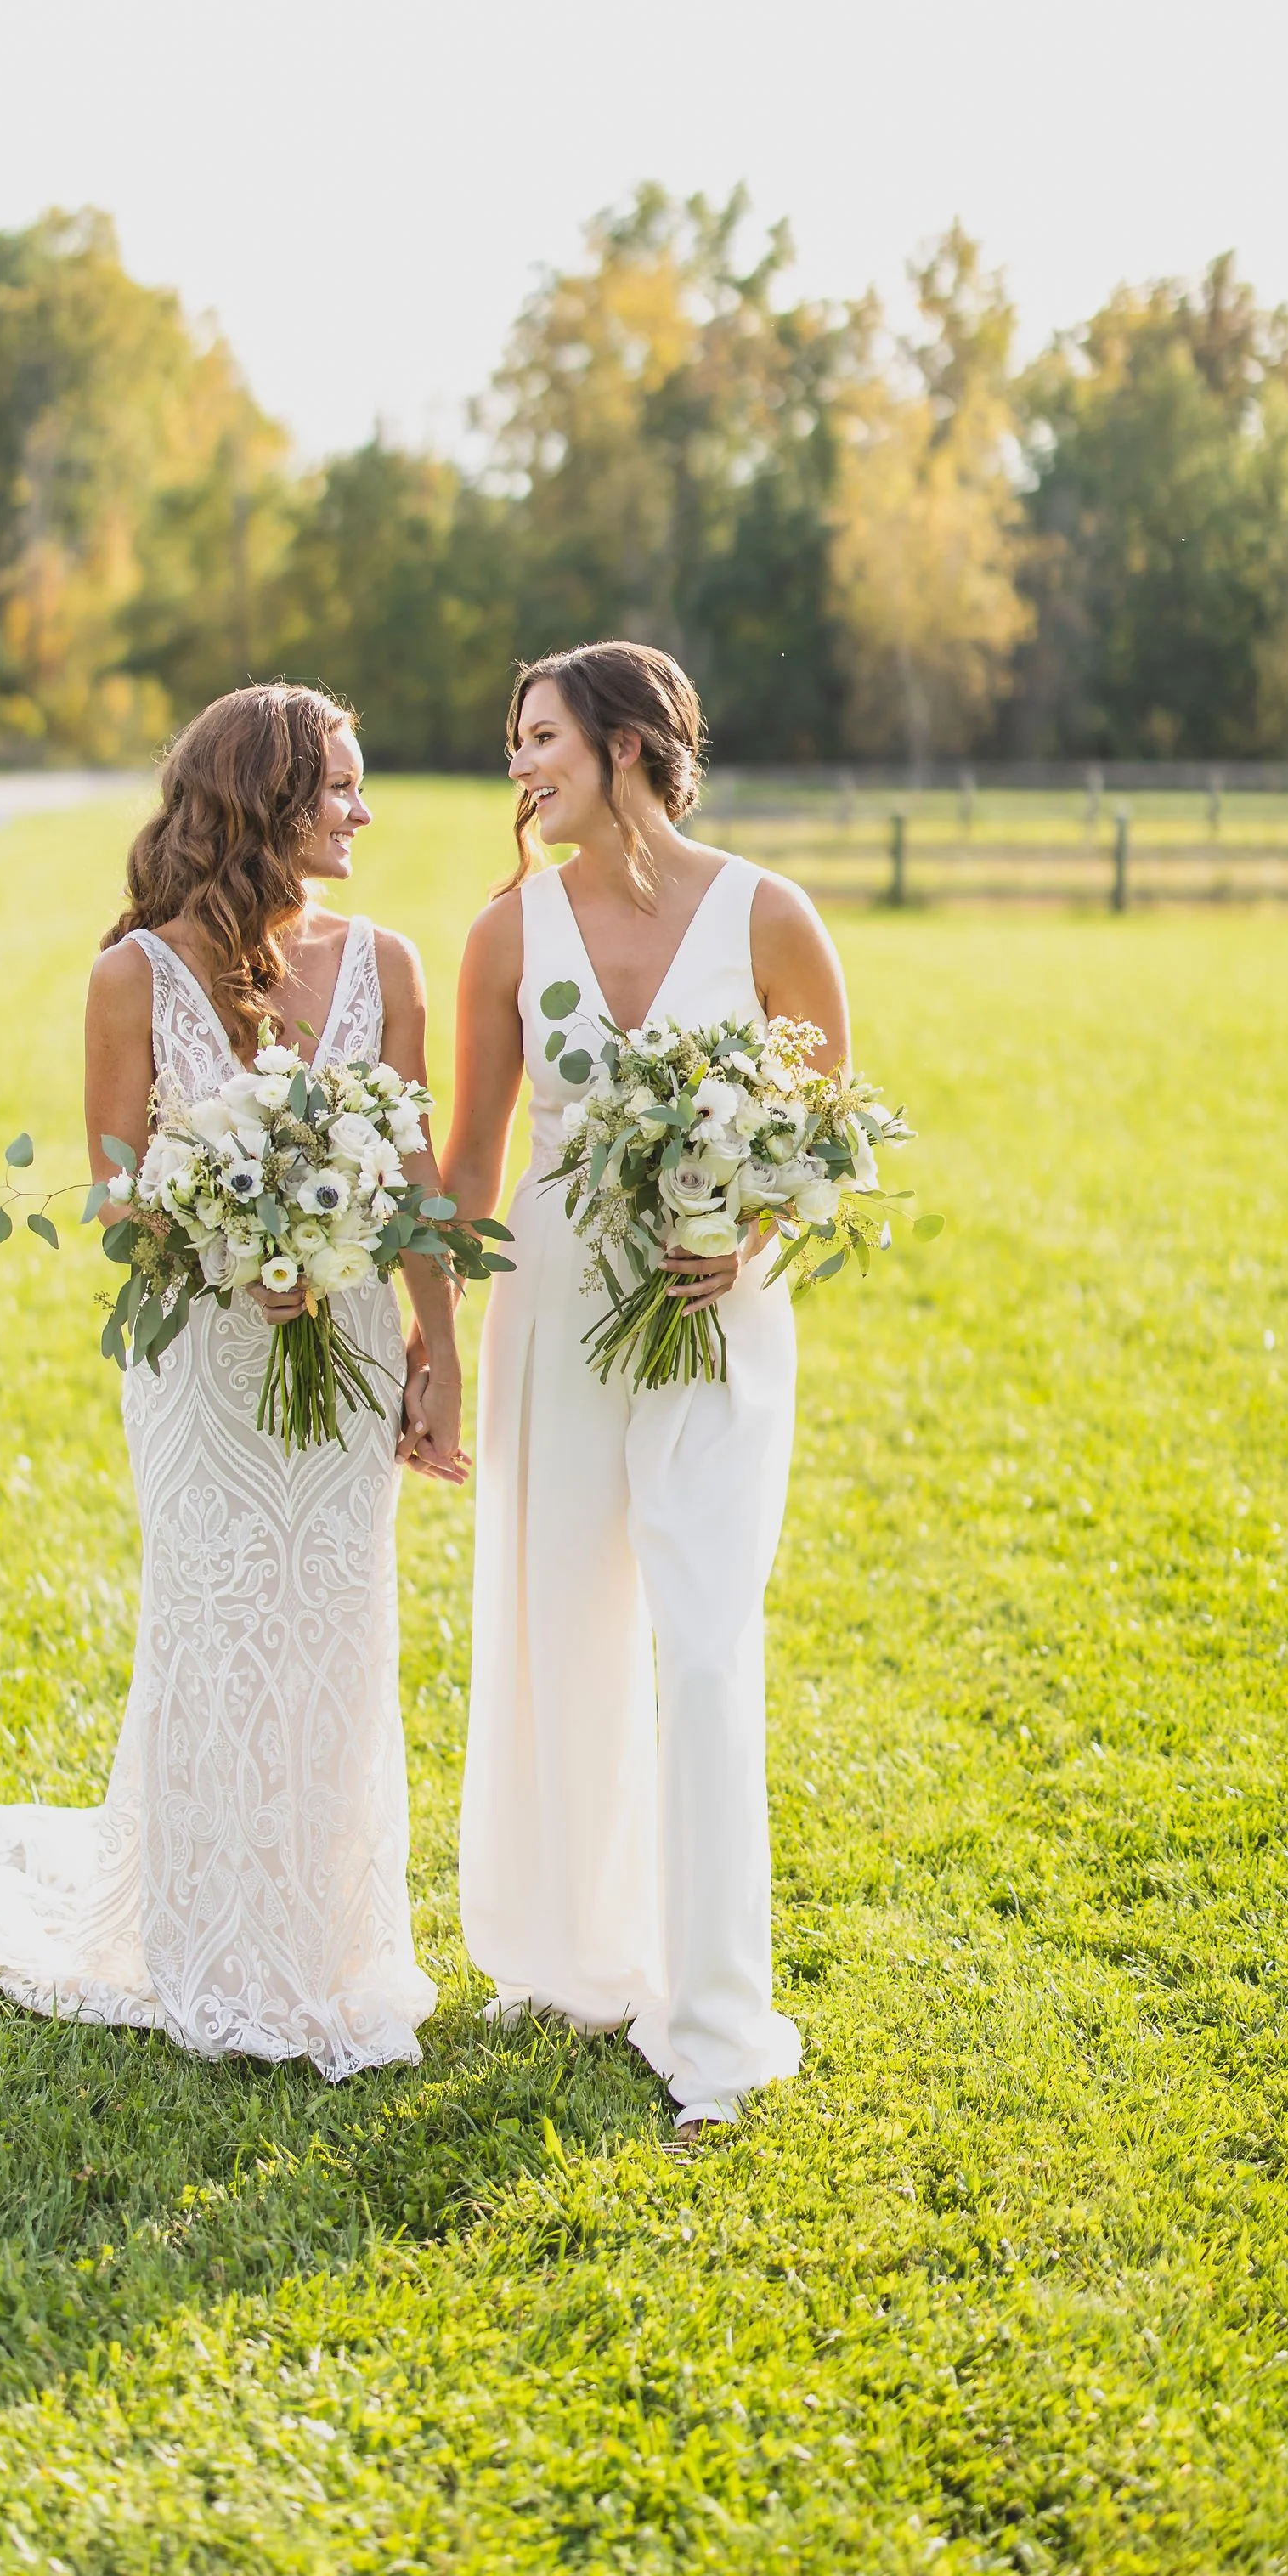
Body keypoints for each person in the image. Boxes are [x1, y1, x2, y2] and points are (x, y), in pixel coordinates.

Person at [0, 686, 466, 2081]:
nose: (362, 810)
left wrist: (439, 1356)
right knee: (216, 1622)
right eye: (339, 786)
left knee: (335, 1623)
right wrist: (240, 1255)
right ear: (265, 802)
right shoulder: (131, 979)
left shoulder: (390, 965)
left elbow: (412, 1185)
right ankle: (210, 1944)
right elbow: (116, 1197)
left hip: (343, 1347)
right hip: (202, 1361)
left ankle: (330, 1942)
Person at [437, 641, 849, 2149]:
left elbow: (826, 1148)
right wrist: (430, 1339)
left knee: (702, 1646)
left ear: (622, 744)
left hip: (720, 1331)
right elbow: (468, 1165)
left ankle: (718, 2027)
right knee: (562, 1632)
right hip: (554, 1318)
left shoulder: (771, 918)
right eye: (511, 744)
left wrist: (745, 1230)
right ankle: (573, 1958)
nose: (517, 767)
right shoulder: (504, 934)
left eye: (536, 737)